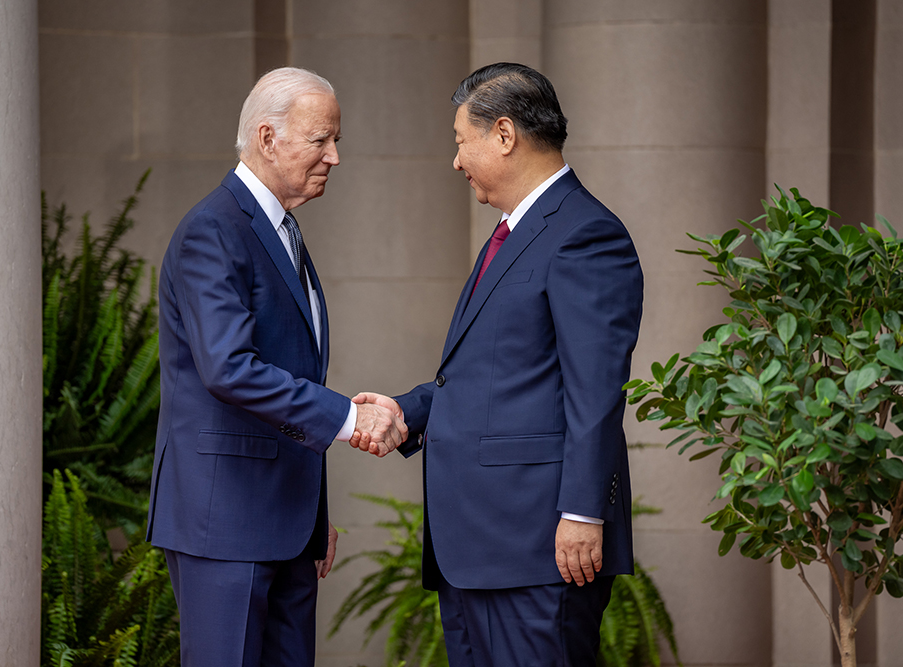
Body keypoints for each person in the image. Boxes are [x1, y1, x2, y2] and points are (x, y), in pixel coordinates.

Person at [353, 63, 644, 666]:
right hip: (477, 552)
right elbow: (488, 375)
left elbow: (595, 392)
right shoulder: (510, 234)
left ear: (504, 134)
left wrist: (583, 513)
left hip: (538, 548)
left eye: (462, 141)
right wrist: (406, 410)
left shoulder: (585, 235)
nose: (456, 161)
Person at [146, 67, 407, 667]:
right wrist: (350, 416)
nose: (335, 157)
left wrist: (312, 517)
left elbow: (291, 376)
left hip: (287, 528)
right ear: (267, 138)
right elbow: (230, 369)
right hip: (226, 526)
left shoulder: (280, 230)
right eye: (322, 141)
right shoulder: (213, 230)